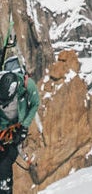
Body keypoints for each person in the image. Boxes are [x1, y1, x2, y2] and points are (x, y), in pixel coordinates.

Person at [0, 41, 39, 194]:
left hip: (15, 127)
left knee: (5, 162)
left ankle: (5, 188)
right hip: (4, 128)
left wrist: (24, 127)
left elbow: (35, 103)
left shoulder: (27, 84)